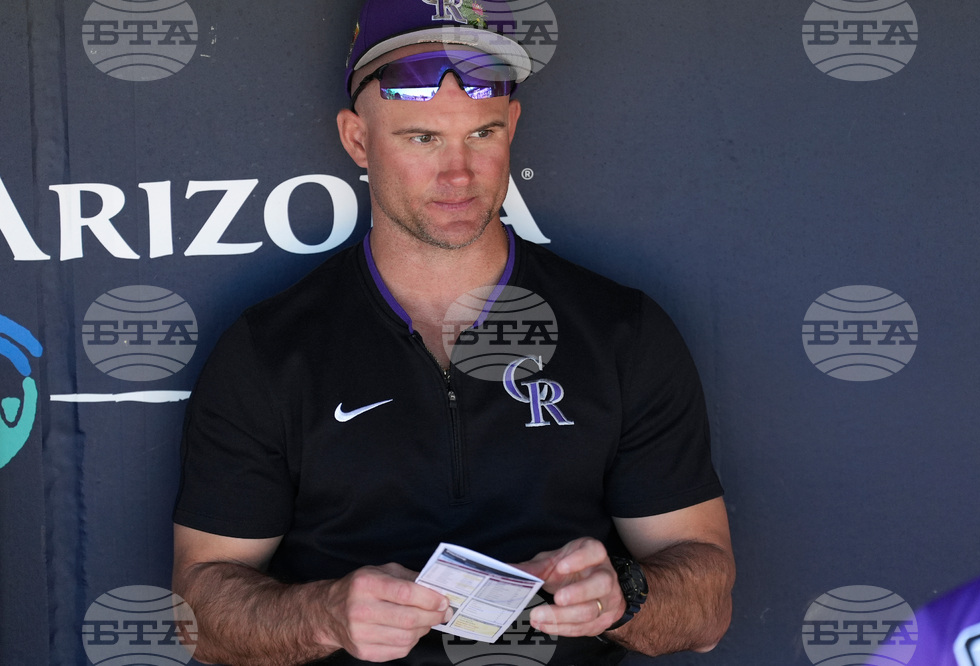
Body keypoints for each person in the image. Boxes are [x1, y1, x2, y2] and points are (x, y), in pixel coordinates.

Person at [171, 1, 735, 663]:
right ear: (357, 140)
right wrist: (322, 613)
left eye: (482, 133)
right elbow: (197, 616)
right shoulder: (269, 351)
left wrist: (627, 594)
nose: (458, 174)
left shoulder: (621, 330)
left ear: (513, 127)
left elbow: (709, 608)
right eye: (421, 138)